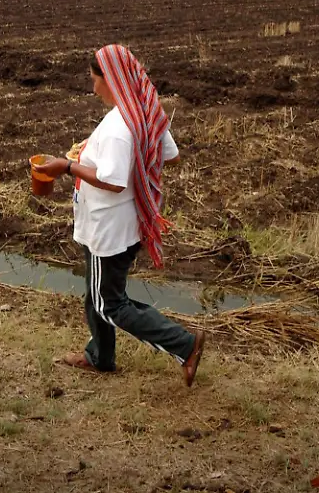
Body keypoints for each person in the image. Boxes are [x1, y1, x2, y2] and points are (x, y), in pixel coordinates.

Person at [34, 44, 205, 387]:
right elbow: (169, 157)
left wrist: (66, 166)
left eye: (94, 79)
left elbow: (112, 181)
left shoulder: (118, 126)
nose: (92, 87)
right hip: (130, 223)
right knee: (98, 293)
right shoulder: (144, 110)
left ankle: (185, 345)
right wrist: (118, 160)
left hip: (108, 229)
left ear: (110, 78)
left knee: (109, 303)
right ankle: (101, 357)